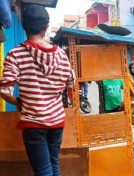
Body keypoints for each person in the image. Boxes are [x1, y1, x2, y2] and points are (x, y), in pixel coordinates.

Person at [0, 5, 74, 175]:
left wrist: (19, 102)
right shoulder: (61, 55)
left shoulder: (15, 54)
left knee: (43, 170)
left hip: (33, 122)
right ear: (46, 27)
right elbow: (70, 81)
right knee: (53, 164)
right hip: (56, 121)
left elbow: (5, 91)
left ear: (24, 25)